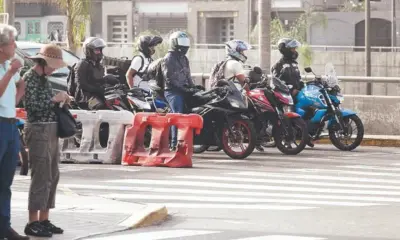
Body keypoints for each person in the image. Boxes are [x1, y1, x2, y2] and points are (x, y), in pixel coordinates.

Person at [23, 44, 69, 237]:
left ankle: (44, 218)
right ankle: (32, 221)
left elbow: (48, 100)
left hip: (50, 129)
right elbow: (32, 106)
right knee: (40, 176)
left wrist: (62, 99)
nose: (54, 69)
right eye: (53, 65)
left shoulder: (44, 79)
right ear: (42, 62)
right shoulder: (29, 78)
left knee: (52, 175)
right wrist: (54, 100)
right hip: (38, 128)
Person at [0, 23, 29, 240]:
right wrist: (10, 72)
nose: (15, 46)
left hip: (10, 124)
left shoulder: (7, 67)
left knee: (6, 181)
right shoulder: (5, 69)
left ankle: (4, 225)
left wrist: (13, 103)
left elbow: (22, 85)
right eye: (12, 43)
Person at [162, 31, 196, 150]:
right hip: (172, 91)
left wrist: (194, 88)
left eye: (185, 43)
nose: (184, 46)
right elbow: (169, 78)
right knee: (178, 113)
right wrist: (183, 88)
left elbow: (188, 75)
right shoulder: (169, 58)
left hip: (184, 89)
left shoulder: (184, 59)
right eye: (181, 43)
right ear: (174, 43)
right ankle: (174, 143)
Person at [73, 37, 107, 110]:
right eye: (97, 50)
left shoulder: (98, 65)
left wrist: (108, 80)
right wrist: (98, 89)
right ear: (89, 51)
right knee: (99, 106)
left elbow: (99, 80)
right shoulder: (82, 64)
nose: (99, 53)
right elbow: (82, 84)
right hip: (85, 97)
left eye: (100, 50)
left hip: (96, 94)